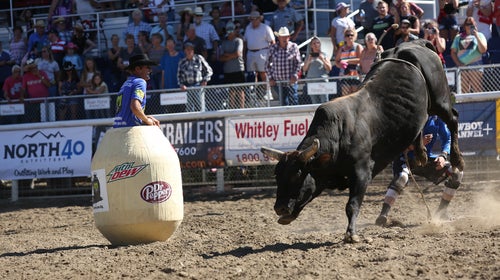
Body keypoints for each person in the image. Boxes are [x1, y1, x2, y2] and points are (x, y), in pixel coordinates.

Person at [375, 115, 464, 226]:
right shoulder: (408, 115)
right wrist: (415, 145)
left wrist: (443, 156)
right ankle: (383, 215)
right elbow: (393, 140)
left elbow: (447, 138)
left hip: (425, 159)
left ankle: (441, 212)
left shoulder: (436, 118)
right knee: (402, 177)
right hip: (405, 158)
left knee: (457, 173)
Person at [114, 54, 160, 127]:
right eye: (147, 67)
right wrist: (148, 121)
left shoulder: (126, 83)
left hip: (117, 129)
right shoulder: (140, 82)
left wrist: (144, 117)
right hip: (130, 130)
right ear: (138, 69)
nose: (150, 70)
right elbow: (135, 107)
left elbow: (128, 111)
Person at [243, 10, 275, 101]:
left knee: (263, 73)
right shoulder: (248, 28)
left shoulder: (266, 28)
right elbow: (245, 42)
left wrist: (271, 55)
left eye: (255, 19)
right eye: (251, 19)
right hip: (250, 52)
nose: (253, 21)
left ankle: (268, 92)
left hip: (263, 52)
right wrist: (244, 54)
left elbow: (272, 42)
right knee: (252, 74)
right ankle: (253, 93)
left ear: (259, 19)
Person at [266, 27, 302, 106]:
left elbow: (298, 62)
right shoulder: (273, 48)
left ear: (289, 37)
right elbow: (267, 65)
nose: (284, 38)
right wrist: (270, 77)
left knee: (294, 102)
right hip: (278, 83)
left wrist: (295, 74)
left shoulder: (294, 47)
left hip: (291, 82)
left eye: (286, 36)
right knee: (283, 103)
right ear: (279, 37)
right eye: (282, 36)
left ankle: (295, 118)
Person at [450, 17, 488, 93]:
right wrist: (458, 63)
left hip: (475, 65)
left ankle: (479, 104)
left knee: (476, 87)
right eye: (467, 24)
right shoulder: (458, 37)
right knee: (464, 89)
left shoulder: (480, 35)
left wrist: (476, 35)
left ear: (475, 24)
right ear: (464, 26)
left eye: (471, 24)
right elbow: (453, 52)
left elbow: (483, 50)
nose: (469, 26)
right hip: (462, 65)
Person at [177, 42, 213, 112]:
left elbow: (209, 71)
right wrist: (181, 85)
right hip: (187, 88)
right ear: (185, 51)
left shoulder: (199, 58)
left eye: (191, 49)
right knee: (189, 109)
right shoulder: (182, 62)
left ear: (193, 50)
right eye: (187, 49)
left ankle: (202, 120)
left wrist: (205, 80)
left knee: (200, 107)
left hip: (198, 86)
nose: (189, 51)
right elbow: (179, 76)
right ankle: (191, 122)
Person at [219, 21, 246, 109]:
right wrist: (232, 55)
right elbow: (220, 57)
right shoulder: (224, 42)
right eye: (228, 30)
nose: (230, 32)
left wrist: (227, 55)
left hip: (238, 69)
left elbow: (238, 54)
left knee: (240, 90)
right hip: (228, 71)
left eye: (231, 30)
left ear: (234, 31)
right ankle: (232, 109)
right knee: (231, 91)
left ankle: (242, 110)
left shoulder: (239, 40)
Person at [302, 36, 332, 104]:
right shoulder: (308, 56)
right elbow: (304, 69)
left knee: (324, 101)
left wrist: (322, 59)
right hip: (311, 81)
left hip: (322, 81)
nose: (316, 45)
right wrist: (309, 60)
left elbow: (329, 68)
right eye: (314, 43)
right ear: (311, 46)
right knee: (314, 101)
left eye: (317, 43)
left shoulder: (324, 55)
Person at [334, 28, 363, 96]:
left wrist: (347, 61)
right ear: (344, 37)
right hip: (344, 75)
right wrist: (340, 65)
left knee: (355, 96)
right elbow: (336, 61)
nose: (350, 37)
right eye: (347, 35)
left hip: (356, 75)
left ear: (355, 36)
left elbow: (361, 60)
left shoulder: (358, 46)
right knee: (345, 97)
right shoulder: (342, 48)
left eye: (351, 35)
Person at [21, 58, 51, 123]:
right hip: (33, 102)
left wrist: (39, 75)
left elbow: (48, 85)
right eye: (32, 67)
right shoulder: (26, 76)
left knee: (45, 119)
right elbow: (23, 88)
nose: (34, 69)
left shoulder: (42, 73)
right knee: (34, 119)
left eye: (35, 67)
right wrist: (22, 96)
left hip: (44, 101)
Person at [160, 37, 185, 113]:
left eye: (171, 44)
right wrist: (162, 87)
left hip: (180, 87)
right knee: (170, 109)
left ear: (174, 44)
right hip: (168, 87)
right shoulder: (164, 57)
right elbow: (163, 73)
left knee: (182, 109)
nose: (170, 46)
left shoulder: (181, 55)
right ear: (166, 46)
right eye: (168, 45)